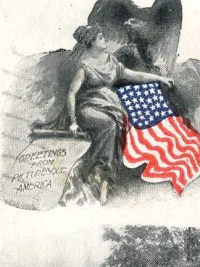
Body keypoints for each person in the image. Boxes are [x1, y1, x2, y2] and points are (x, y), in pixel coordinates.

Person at [44, 25, 175, 205]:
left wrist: (159, 79)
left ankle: (99, 178)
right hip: (88, 108)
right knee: (109, 125)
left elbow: (131, 74)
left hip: (109, 106)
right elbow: (72, 93)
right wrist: (73, 122)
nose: (104, 40)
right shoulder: (85, 66)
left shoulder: (110, 61)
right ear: (91, 43)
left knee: (113, 128)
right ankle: (92, 174)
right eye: (100, 38)